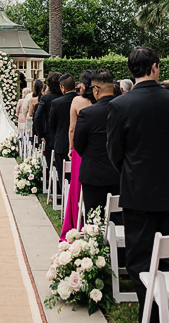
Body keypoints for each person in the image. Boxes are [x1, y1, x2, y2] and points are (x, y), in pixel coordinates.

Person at [107, 47, 169, 323]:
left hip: (137, 192)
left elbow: (114, 152)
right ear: (155, 67)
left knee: (140, 261)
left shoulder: (120, 105)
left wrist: (131, 172)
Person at [73, 69, 120, 220]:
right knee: (118, 218)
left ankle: (94, 243)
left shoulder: (87, 113)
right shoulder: (124, 111)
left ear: (96, 90)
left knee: (94, 218)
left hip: (93, 173)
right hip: (118, 173)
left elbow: (78, 143)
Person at [62, 72, 94, 239]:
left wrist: (70, 147)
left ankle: (77, 223)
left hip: (80, 150)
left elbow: (72, 128)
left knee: (77, 186)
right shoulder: (100, 101)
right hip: (97, 149)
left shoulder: (77, 101)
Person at [48, 74, 78, 197]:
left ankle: (66, 203)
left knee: (63, 175)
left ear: (63, 88)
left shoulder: (57, 103)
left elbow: (51, 123)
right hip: (78, 143)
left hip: (61, 142)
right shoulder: (83, 100)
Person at [35, 72, 61, 172]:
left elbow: (37, 117)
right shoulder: (67, 98)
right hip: (66, 137)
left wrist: (41, 135)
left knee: (51, 165)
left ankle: (53, 185)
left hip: (50, 136)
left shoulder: (45, 98)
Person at [28, 78, 44, 145]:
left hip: (36, 123)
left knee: (36, 141)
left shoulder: (33, 100)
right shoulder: (45, 98)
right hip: (44, 123)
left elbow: (30, 114)